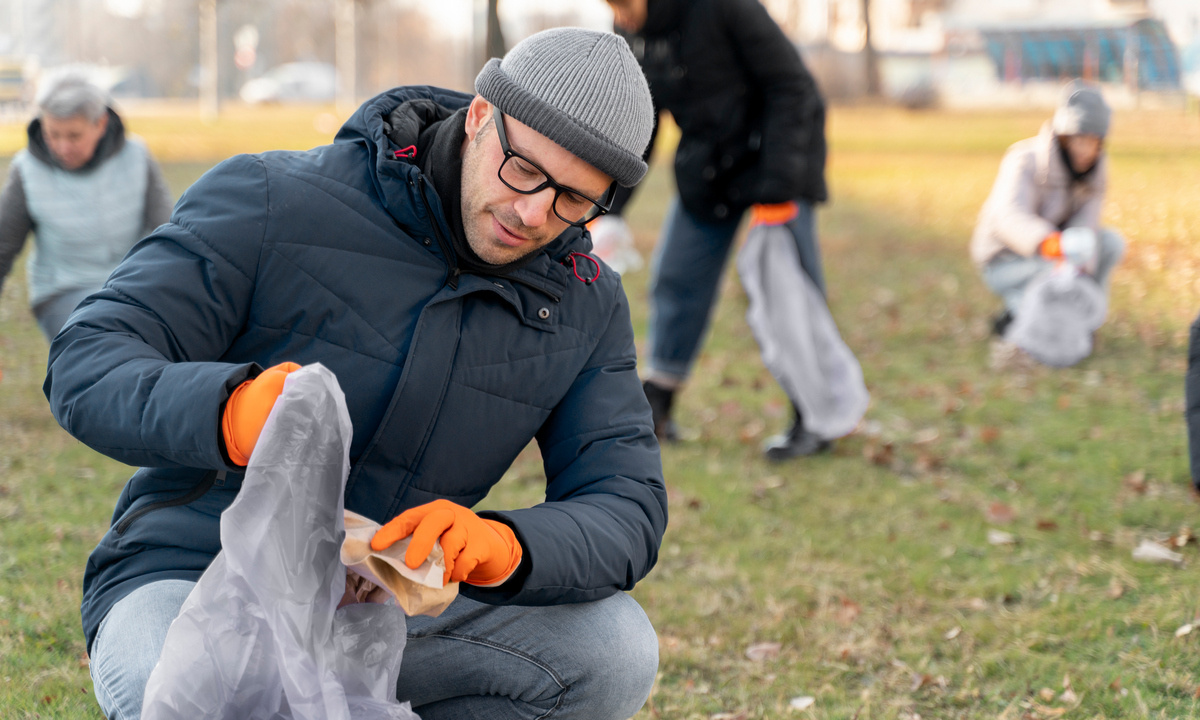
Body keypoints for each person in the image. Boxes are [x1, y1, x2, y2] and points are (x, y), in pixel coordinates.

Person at [43, 28, 667, 720]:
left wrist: (503, 548)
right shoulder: (272, 197)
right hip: (194, 578)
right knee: (176, 686)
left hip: (387, 611)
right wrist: (227, 413)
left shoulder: (583, 301)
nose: (534, 213)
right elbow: (87, 358)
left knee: (613, 649)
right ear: (483, 115)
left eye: (575, 201)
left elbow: (627, 505)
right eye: (524, 170)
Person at [602, 0, 832, 460]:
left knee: (790, 292)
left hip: (778, 161)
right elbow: (640, 123)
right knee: (676, 276)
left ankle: (816, 414)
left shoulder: (724, 7)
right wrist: (609, 205)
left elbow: (794, 88)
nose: (620, 15)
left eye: (624, 4)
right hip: (710, 169)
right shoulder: (633, 29)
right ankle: (660, 399)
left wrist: (778, 189)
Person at [0, 72, 171, 341]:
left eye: (74, 136)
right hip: (63, 293)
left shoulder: (137, 156)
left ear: (101, 124)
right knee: (106, 338)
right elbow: (2, 248)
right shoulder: (26, 170)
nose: (62, 146)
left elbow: (169, 233)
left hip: (133, 288)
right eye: (52, 134)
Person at [971, 79, 1125, 341]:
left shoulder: (1097, 169)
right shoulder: (1024, 159)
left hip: (1060, 253)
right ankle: (1018, 316)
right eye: (1079, 140)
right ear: (1064, 136)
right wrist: (1050, 245)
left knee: (1109, 243)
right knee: (1054, 276)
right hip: (1006, 260)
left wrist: (1080, 261)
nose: (1086, 150)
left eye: (1093, 142)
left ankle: (1086, 320)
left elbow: (1087, 221)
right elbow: (1008, 217)